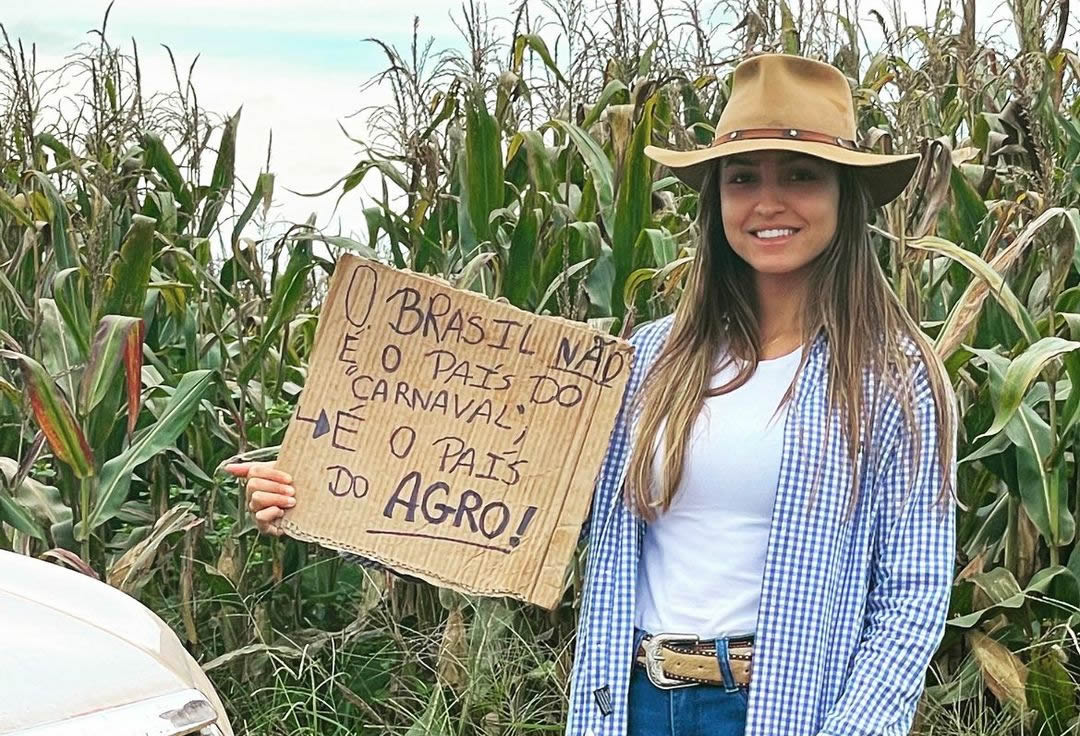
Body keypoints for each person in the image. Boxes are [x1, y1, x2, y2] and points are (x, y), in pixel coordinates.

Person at [226, 53, 958, 736]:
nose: (768, 201)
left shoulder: (892, 377)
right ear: (715, 201)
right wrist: (318, 492)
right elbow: (512, 497)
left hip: (787, 706)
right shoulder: (647, 361)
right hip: (630, 697)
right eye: (741, 177)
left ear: (844, 196)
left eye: (800, 174)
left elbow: (912, 599)